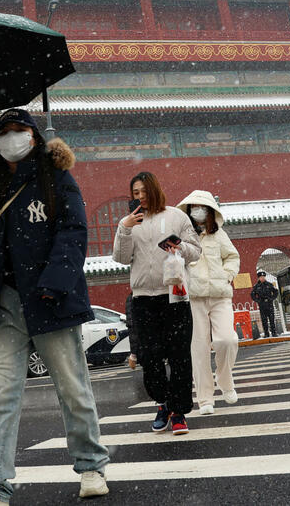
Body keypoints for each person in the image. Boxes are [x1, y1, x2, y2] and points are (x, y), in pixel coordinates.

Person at [0, 108, 109, 504]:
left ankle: (91, 465)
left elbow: (73, 231)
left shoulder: (56, 178)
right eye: (3, 132)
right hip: (3, 301)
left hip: (49, 299)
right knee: (2, 393)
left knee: (72, 387)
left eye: (18, 129)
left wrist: (54, 283)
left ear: (34, 136)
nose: (11, 137)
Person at [113, 171, 201, 435]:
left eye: (143, 191)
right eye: (135, 193)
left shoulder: (177, 217)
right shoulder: (129, 222)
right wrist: (125, 228)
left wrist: (179, 248)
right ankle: (162, 403)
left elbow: (196, 251)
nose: (139, 196)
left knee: (179, 355)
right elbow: (121, 258)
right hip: (143, 299)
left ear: (154, 190)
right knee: (150, 357)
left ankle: (179, 411)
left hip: (174, 296)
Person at [177, 190, 240, 415]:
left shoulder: (219, 235)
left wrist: (227, 275)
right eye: (194, 207)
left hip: (220, 295)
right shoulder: (183, 236)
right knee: (199, 349)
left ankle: (225, 381)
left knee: (227, 340)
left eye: (202, 207)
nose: (198, 211)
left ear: (211, 211)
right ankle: (205, 398)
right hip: (194, 298)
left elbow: (232, 257)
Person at [251, 270, 279, 338]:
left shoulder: (269, 284)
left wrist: (272, 298)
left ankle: (274, 333)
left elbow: (275, 291)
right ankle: (266, 333)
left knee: (272, 319)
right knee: (264, 320)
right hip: (262, 305)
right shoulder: (256, 286)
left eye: (263, 277)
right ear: (258, 278)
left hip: (269, 304)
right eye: (261, 277)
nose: (262, 278)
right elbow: (252, 294)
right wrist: (258, 300)